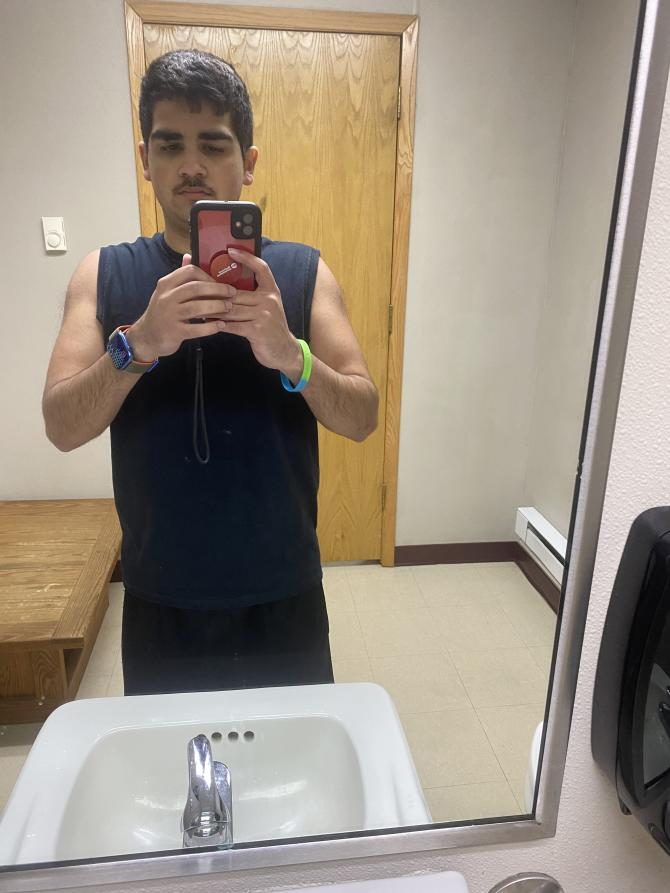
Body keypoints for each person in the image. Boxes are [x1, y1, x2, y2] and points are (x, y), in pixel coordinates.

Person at [42, 50, 378, 696]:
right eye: (170, 145)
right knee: (174, 761)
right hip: (161, 600)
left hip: (284, 595)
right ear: (146, 159)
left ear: (248, 162)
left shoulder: (303, 274)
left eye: (213, 145)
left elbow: (362, 414)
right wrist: (137, 344)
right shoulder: (103, 274)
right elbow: (61, 424)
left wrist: (293, 355)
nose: (191, 164)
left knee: (292, 760)